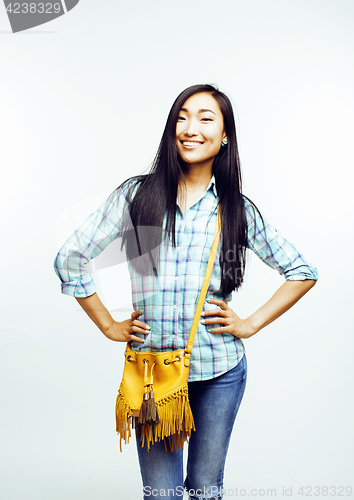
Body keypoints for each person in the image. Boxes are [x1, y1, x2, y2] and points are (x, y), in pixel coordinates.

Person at [54, 84, 318, 500]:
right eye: (182, 116)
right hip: (154, 372)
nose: (190, 127)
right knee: (162, 494)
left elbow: (302, 271)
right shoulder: (136, 197)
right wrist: (106, 323)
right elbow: (71, 256)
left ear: (225, 135)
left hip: (220, 372)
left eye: (205, 118)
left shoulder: (236, 210)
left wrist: (249, 324)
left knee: (204, 490)